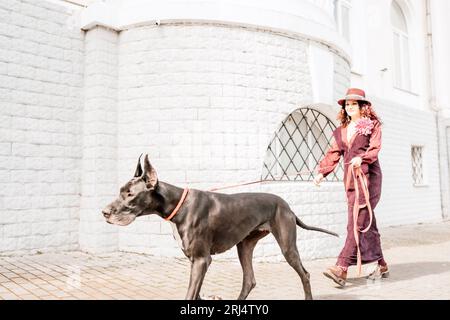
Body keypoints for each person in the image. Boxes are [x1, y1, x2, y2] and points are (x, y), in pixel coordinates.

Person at [313, 88, 389, 287]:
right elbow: (334, 153)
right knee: (366, 222)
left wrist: (361, 158)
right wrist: (322, 172)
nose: (350, 107)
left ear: (363, 106)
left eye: (354, 104)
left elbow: (374, 149)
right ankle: (381, 264)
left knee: (355, 222)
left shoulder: (373, 126)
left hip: (368, 179)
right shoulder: (341, 131)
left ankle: (342, 268)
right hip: (350, 181)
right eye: (347, 104)